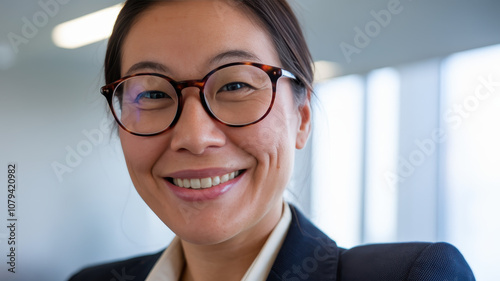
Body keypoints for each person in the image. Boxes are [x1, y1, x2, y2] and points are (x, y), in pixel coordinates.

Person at [69, 0, 475, 280]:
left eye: (235, 86)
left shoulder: (414, 275)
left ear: (301, 118)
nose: (194, 137)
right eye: (153, 94)